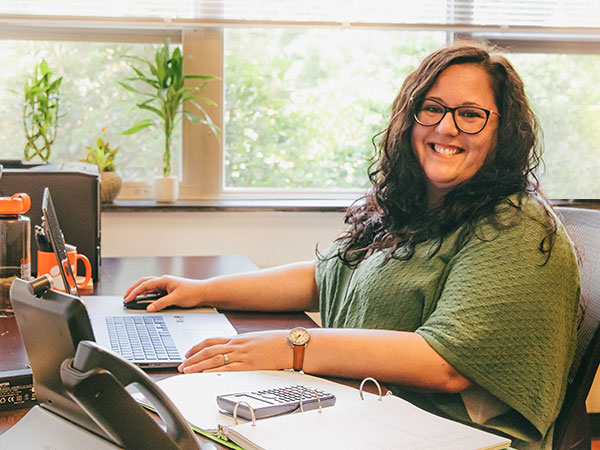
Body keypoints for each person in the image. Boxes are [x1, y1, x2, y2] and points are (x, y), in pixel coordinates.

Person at [125, 42, 580, 450]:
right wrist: (203, 290)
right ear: (410, 118)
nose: (447, 127)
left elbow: (446, 362)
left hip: (452, 435)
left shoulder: (515, 225)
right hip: (368, 411)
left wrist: (293, 345)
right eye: (432, 107)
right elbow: (323, 275)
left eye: (470, 113)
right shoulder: (417, 208)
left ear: (503, 131)